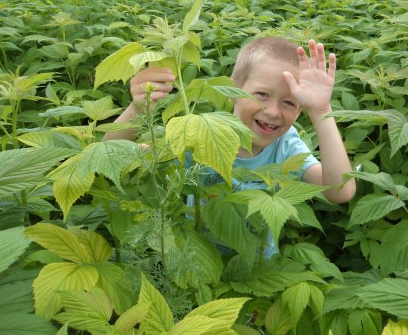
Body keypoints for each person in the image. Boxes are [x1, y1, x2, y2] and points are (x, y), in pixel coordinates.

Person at [104, 37, 356, 256]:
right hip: (196, 258)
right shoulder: (202, 133)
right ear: (233, 88)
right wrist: (138, 107)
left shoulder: (286, 145)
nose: (272, 111)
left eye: (290, 103)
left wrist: (320, 111)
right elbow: (112, 158)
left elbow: (339, 192)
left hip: (257, 265)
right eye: (262, 94)